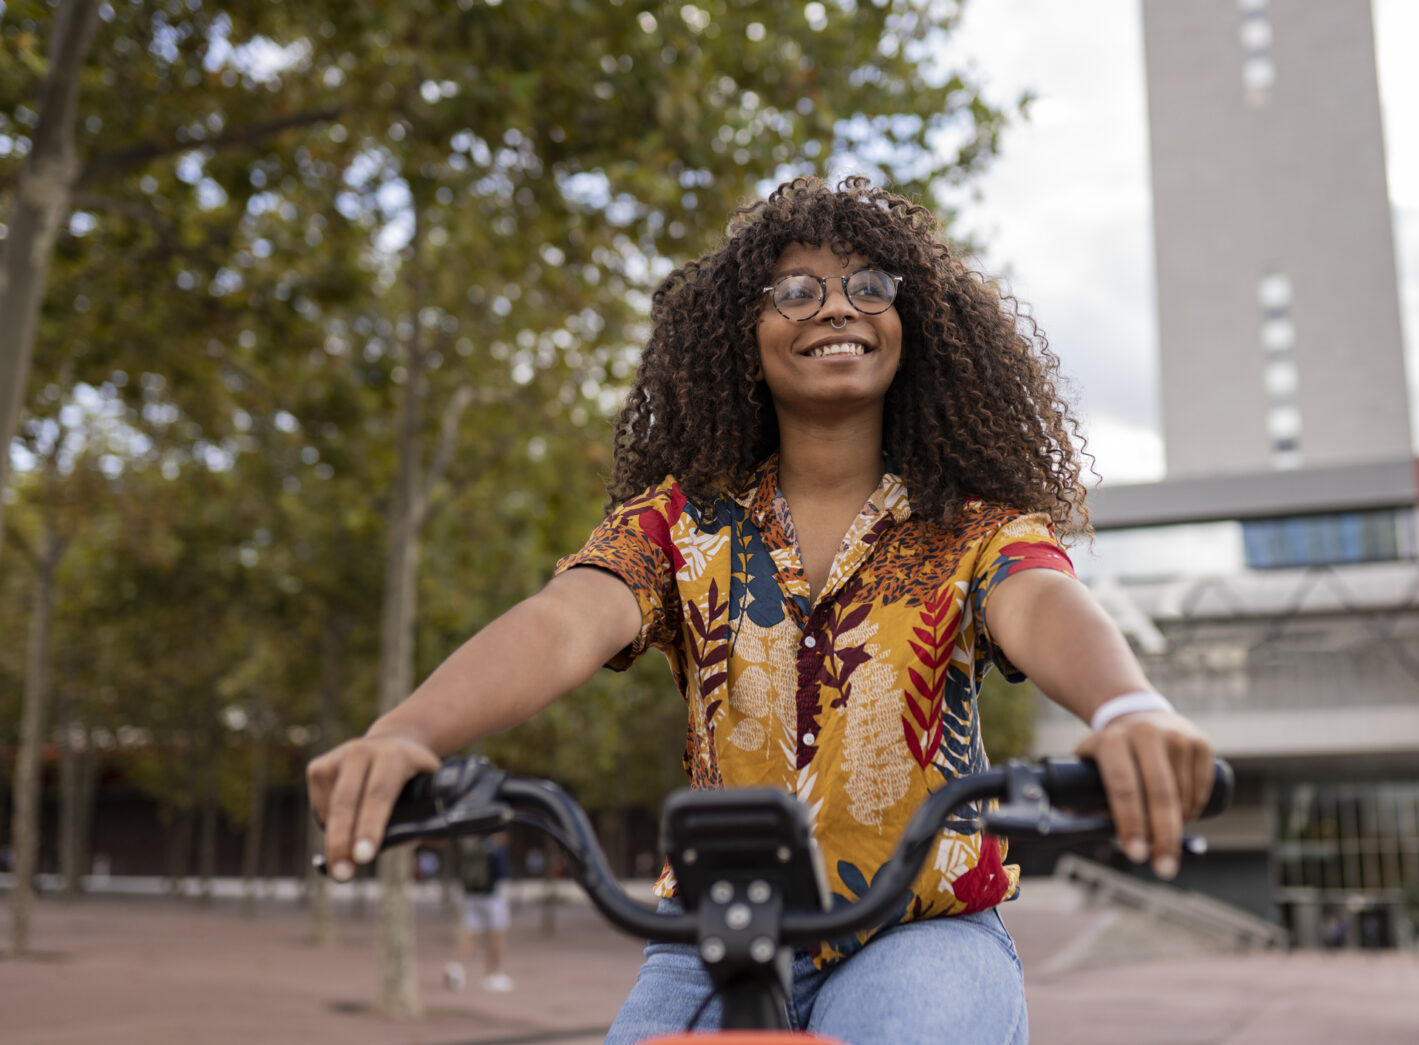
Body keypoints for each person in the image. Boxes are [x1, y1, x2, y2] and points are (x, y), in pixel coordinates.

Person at [308, 177, 1214, 1043]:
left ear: (916, 326)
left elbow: (1045, 601)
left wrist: (1128, 707)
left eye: (869, 285)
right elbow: (563, 621)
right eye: (796, 289)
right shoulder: (674, 526)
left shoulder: (973, 530)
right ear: (743, 336)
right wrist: (408, 734)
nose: (836, 306)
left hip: (921, 932)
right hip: (712, 936)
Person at [445, 831, 513, 993]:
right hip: (492, 897)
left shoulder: (475, 845)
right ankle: (493, 975)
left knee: (471, 933)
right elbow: (502, 872)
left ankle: (456, 967)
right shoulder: (495, 848)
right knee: (497, 934)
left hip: (471, 896)